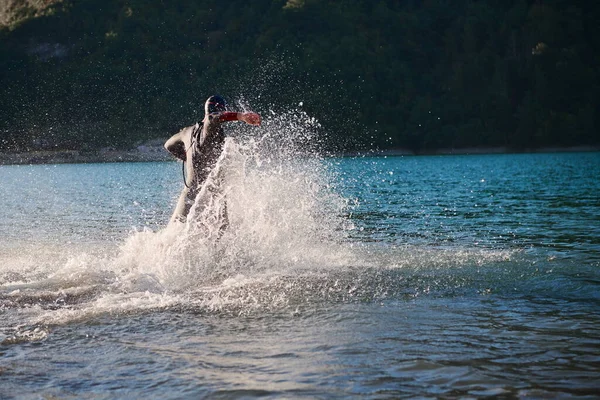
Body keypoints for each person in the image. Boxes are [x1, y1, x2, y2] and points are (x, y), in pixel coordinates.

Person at [164, 95, 261, 225]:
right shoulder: (210, 126)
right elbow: (214, 118)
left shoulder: (186, 132)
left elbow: (168, 145)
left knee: (174, 231)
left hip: (189, 194)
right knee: (221, 235)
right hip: (211, 195)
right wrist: (241, 116)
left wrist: (188, 158)